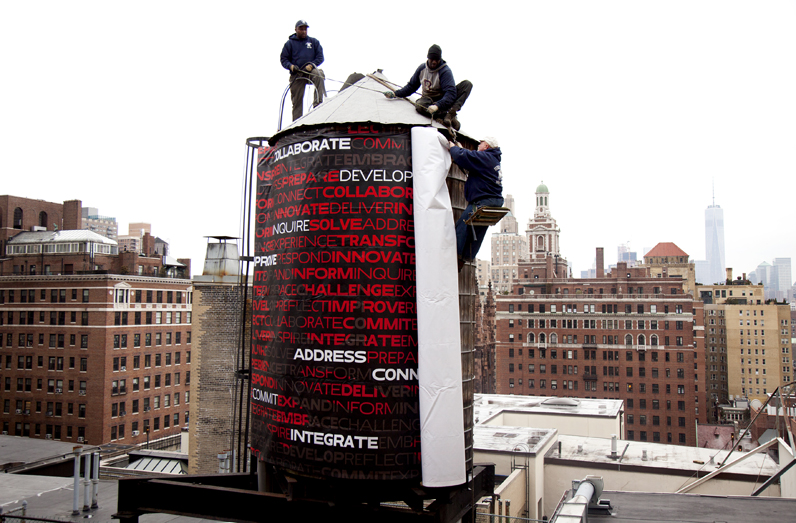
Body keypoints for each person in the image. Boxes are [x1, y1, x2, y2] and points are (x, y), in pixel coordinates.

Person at [384, 44, 472, 130]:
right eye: (432, 59)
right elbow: (411, 86)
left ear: (440, 59)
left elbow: (450, 93)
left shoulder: (445, 71)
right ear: (428, 58)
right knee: (419, 106)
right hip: (428, 100)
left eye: (436, 60)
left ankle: (451, 114)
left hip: (444, 101)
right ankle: (445, 116)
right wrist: (395, 94)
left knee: (467, 85)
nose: (434, 62)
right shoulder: (422, 69)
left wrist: (438, 105)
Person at [447, 137, 504, 270]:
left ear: (487, 146)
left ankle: (455, 255)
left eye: (481, 143)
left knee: (462, 226)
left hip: (484, 200)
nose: (478, 145)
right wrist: (462, 151)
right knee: (477, 229)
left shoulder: (485, 157)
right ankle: (466, 256)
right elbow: (470, 159)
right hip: (495, 201)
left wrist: (453, 148)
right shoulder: (492, 160)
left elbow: (464, 156)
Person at [280, 20, 327, 121]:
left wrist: (311, 65)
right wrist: (291, 66)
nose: (304, 31)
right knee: (297, 103)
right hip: (297, 74)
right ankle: (297, 124)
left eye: (305, 29)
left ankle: (317, 104)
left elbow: (320, 57)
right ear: (296, 30)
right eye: (301, 29)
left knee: (319, 74)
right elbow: (283, 59)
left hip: (309, 72)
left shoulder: (314, 42)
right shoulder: (289, 44)